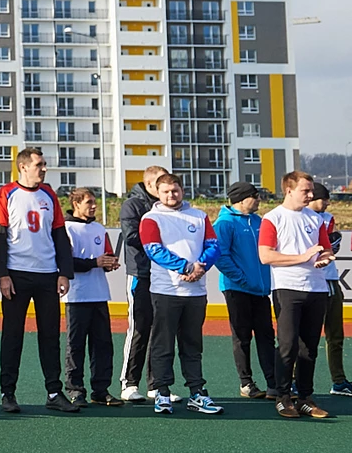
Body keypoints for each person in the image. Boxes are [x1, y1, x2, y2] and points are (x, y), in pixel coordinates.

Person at [0, 148, 78, 413]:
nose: (44, 169)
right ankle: (8, 393)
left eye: (44, 164)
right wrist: (2, 274)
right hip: (16, 274)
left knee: (50, 336)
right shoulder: (6, 194)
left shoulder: (49, 195)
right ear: (23, 167)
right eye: (39, 164)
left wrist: (64, 272)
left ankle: (54, 392)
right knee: (12, 335)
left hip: (47, 274)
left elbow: (60, 235)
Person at [138, 173, 222, 415]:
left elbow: (213, 246)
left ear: (182, 190)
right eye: (165, 191)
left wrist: (199, 267)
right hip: (166, 291)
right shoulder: (151, 218)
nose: (171, 195)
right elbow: (153, 250)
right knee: (163, 344)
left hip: (196, 292)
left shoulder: (199, 216)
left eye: (175, 190)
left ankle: (197, 393)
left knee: (192, 345)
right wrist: (186, 267)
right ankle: (162, 392)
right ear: (157, 193)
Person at [260, 170, 335, 419]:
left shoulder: (315, 219)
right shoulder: (273, 218)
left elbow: (325, 250)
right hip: (287, 288)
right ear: (289, 190)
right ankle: (283, 397)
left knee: (309, 348)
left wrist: (325, 259)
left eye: (311, 190)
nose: (311, 195)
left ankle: (305, 398)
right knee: (287, 345)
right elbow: (266, 256)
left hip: (316, 289)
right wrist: (302, 257)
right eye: (306, 190)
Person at [213, 180, 277, 399]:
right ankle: (246, 383)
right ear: (241, 199)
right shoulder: (224, 223)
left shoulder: (259, 221)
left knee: (266, 336)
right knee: (242, 336)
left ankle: (273, 383)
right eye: (255, 196)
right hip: (237, 289)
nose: (259, 199)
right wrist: (242, 279)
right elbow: (220, 256)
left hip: (260, 290)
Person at [61, 188, 121, 407]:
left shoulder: (99, 228)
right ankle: (75, 390)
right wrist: (94, 263)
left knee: (103, 345)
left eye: (94, 202)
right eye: (89, 202)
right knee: (75, 346)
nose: (94, 206)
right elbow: (65, 262)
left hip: (99, 294)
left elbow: (106, 255)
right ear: (76, 204)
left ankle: (100, 390)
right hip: (76, 295)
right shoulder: (66, 228)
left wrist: (109, 264)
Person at [117, 164, 168, 402]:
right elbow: (131, 236)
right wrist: (162, 240)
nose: (166, 186)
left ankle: (156, 385)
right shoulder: (132, 205)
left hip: (165, 277)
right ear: (148, 184)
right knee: (138, 329)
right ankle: (129, 383)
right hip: (141, 274)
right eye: (160, 181)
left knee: (161, 331)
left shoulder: (167, 207)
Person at [306, 182, 350, 396]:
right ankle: (295, 381)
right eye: (324, 199)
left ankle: (339, 381)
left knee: (335, 334)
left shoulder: (328, 217)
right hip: (307, 283)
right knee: (304, 337)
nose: (327, 203)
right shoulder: (297, 218)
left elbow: (330, 246)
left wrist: (332, 246)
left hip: (330, 280)